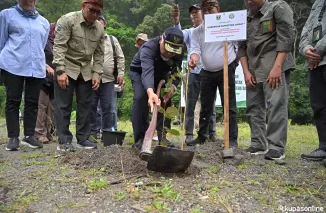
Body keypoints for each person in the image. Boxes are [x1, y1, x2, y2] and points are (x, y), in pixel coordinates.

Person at [238, 0, 295, 160]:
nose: (248, 2)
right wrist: (246, 72)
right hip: (252, 67)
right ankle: (258, 143)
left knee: (275, 105)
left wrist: (277, 67)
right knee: (253, 106)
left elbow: (286, 38)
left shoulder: (278, 7)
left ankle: (276, 147)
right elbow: (241, 47)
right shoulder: (246, 18)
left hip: (273, 65)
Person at [53, 0, 105, 151]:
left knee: (86, 106)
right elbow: (59, 46)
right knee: (63, 105)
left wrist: (96, 74)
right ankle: (64, 141)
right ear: (83, 6)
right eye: (92, 10)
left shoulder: (100, 29)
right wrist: (60, 71)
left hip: (86, 71)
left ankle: (83, 138)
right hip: (67, 67)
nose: (94, 15)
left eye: (98, 12)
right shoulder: (68, 20)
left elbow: (100, 54)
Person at [186, 0, 238, 147]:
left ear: (218, 9)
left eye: (211, 9)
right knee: (206, 106)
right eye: (205, 9)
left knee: (229, 106)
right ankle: (202, 136)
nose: (208, 12)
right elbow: (195, 50)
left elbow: (239, 42)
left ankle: (232, 139)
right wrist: (193, 59)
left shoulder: (228, 25)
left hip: (226, 68)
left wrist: (237, 58)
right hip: (206, 71)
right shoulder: (197, 31)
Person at [0, 0, 50, 151]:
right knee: (13, 99)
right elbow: (1, 41)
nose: (27, 1)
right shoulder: (6, 15)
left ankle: (29, 136)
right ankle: (13, 137)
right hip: (13, 63)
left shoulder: (43, 22)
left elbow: (42, 45)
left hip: (36, 65)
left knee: (32, 101)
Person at [129, 27, 185, 151]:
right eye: (167, 49)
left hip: (162, 75)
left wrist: (173, 85)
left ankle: (163, 137)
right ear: (161, 40)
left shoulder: (179, 50)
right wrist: (150, 92)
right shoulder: (148, 48)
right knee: (140, 98)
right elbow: (147, 72)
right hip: (140, 72)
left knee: (165, 100)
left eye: (173, 51)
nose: (170, 54)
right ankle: (140, 139)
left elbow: (177, 69)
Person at [172, 3, 217, 144]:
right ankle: (189, 133)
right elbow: (178, 36)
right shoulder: (190, 32)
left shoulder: (211, 29)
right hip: (194, 72)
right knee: (190, 104)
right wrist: (176, 21)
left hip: (209, 71)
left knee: (210, 104)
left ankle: (211, 132)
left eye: (196, 12)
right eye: (192, 13)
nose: (194, 15)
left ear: (203, 13)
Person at [90, 15, 125, 140]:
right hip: (91, 78)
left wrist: (120, 73)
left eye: (101, 22)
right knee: (92, 106)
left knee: (108, 108)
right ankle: (93, 133)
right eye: (96, 22)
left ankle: (106, 133)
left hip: (108, 79)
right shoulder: (89, 37)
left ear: (105, 25)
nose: (99, 24)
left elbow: (120, 57)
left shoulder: (112, 39)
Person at [300, 0, 326, 161]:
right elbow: (305, 31)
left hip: (319, 57)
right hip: (315, 63)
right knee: (319, 105)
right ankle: (323, 147)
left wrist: (318, 51)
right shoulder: (317, 2)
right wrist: (305, 49)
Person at [35, 23, 56, 144]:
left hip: (53, 80)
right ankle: (39, 132)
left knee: (51, 108)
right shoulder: (43, 42)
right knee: (41, 106)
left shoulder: (56, 44)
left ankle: (48, 132)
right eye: (54, 30)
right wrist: (46, 66)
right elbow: (37, 56)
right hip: (42, 78)